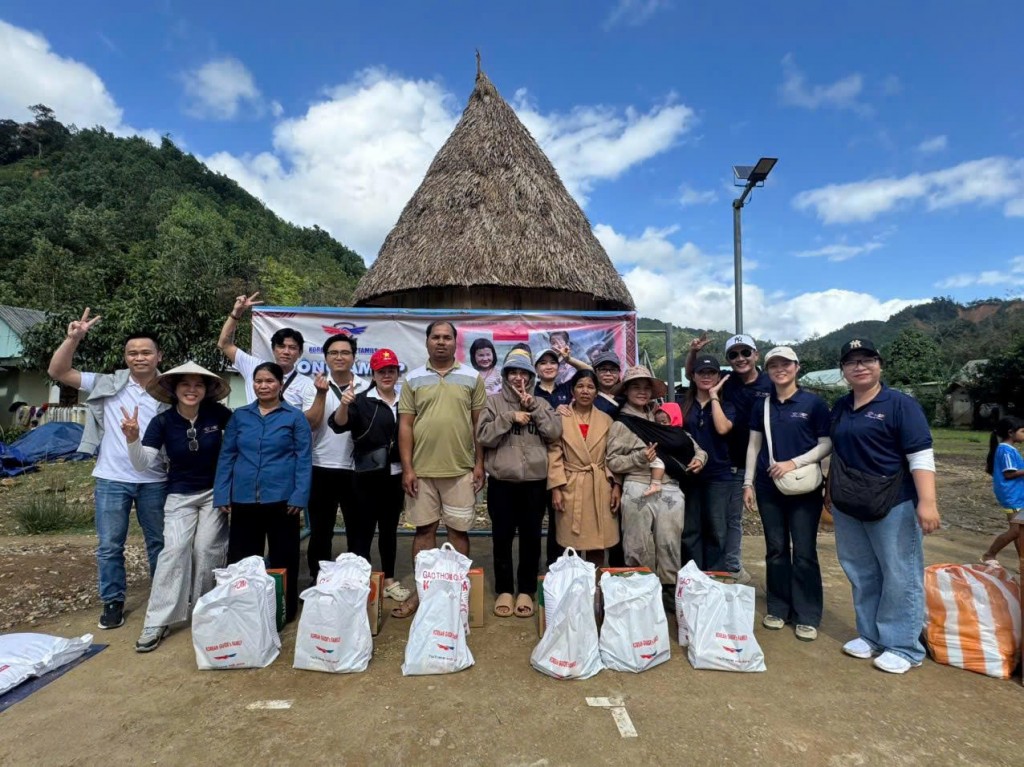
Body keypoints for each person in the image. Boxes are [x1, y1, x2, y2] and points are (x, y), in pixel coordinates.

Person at [47, 309, 168, 630]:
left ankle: (162, 597)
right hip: (112, 479)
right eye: (132, 353)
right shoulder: (107, 383)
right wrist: (73, 338)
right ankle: (113, 601)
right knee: (110, 546)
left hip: (156, 479)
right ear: (125, 357)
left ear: (159, 356)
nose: (139, 357)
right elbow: (58, 371)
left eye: (146, 352)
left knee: (159, 543)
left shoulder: (170, 390)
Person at [828, 337, 940, 674]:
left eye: (867, 359)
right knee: (861, 570)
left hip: (894, 501)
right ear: (843, 371)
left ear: (880, 365)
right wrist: (828, 496)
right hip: (850, 502)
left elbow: (920, 454)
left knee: (899, 572)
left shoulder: (900, 404)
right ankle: (871, 635)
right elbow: (835, 452)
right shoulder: (841, 407)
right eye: (852, 362)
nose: (859, 366)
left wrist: (928, 502)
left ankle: (904, 646)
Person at [121, 362, 232, 652]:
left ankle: (204, 611)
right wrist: (132, 439)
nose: (191, 390)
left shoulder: (218, 415)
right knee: (174, 551)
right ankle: (157, 620)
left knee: (207, 549)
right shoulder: (162, 422)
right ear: (174, 389)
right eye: (185, 385)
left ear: (206, 390)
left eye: (198, 385)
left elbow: (238, 446)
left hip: (214, 494)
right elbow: (143, 463)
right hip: (179, 495)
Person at [394, 320, 487, 619]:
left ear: (455, 343)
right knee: (425, 531)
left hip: (461, 469)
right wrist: (408, 468)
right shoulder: (413, 379)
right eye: (436, 337)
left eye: (447, 337)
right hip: (421, 471)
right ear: (427, 341)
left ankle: (456, 594)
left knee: (459, 531)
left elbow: (478, 426)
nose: (441, 342)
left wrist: (479, 464)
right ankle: (423, 594)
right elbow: (405, 425)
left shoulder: (472, 378)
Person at [214, 362, 312, 622]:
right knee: (243, 558)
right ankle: (245, 607)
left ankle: (285, 609)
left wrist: (300, 495)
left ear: (280, 385)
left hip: (282, 499)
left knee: (284, 557)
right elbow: (227, 455)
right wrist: (222, 493)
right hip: (244, 498)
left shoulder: (294, 417)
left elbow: (303, 459)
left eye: (269, 381)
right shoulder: (240, 416)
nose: (263, 386)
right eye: (259, 381)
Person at [477, 349, 562, 618]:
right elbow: (484, 437)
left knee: (531, 538)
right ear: (505, 376)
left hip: (535, 483)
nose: (518, 377)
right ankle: (504, 589)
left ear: (531, 376)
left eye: (523, 373)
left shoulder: (541, 403)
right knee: (501, 538)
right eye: (513, 372)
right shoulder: (493, 403)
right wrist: (508, 418)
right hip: (502, 482)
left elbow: (554, 433)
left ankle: (526, 589)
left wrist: (534, 408)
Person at [607, 366, 706, 593]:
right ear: (627, 391)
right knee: (636, 542)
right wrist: (639, 458)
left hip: (670, 488)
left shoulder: (662, 416)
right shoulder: (621, 424)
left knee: (670, 542)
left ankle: (669, 589)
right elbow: (612, 461)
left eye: (646, 388)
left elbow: (689, 443)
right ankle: (638, 590)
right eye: (636, 387)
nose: (641, 392)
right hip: (637, 486)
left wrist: (701, 458)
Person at [329, 348, 411, 602]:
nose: (387, 375)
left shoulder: (406, 402)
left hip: (395, 476)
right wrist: (344, 404)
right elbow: (338, 425)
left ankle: (388, 579)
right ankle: (361, 579)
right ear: (373, 374)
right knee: (362, 530)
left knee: (389, 530)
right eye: (381, 371)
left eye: (391, 371)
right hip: (365, 476)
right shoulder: (361, 400)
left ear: (397, 373)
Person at [687, 332, 770, 580]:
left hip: (761, 459)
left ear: (756, 354)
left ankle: (730, 566)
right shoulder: (727, 381)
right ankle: (726, 566)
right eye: (734, 354)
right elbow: (698, 374)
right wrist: (693, 352)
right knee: (722, 519)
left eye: (746, 352)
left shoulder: (769, 383)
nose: (741, 358)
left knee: (730, 520)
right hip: (729, 460)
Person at [303, 333, 370, 585]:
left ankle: (356, 579)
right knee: (321, 530)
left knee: (358, 529)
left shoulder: (367, 387)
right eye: (333, 353)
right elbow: (311, 423)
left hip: (357, 468)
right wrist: (321, 394)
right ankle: (318, 578)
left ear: (354, 357)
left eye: (345, 353)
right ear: (326, 358)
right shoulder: (316, 385)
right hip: (321, 465)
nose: (339, 357)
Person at [547, 370, 620, 566]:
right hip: (571, 485)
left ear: (597, 392)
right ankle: (577, 590)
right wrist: (556, 488)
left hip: (600, 486)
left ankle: (595, 589)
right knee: (573, 546)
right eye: (580, 386)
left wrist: (616, 486)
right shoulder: (560, 418)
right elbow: (554, 454)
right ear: (572, 390)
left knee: (598, 544)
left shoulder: (606, 420)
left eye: (590, 387)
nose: (585, 391)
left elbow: (612, 455)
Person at [680, 355, 738, 572]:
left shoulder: (727, 405)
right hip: (689, 475)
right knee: (690, 530)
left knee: (716, 529)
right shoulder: (682, 405)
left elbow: (723, 428)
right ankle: (691, 576)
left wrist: (714, 397)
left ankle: (714, 577)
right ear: (692, 376)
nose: (706, 377)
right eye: (701, 373)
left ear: (718, 376)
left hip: (719, 475)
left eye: (711, 373)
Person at [217, 292, 316, 412]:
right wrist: (236, 313)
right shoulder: (254, 366)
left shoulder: (306, 384)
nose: (286, 351)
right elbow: (224, 344)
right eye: (281, 346)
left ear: (300, 353)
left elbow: (308, 423)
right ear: (273, 349)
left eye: (292, 348)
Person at [982, 416, 1024, 564]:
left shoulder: (1007, 449)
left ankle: (1022, 560)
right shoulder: (1006, 450)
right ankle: (989, 554)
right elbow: (1009, 473)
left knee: (1020, 530)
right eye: (1023, 431)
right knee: (1016, 530)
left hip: (1017, 495)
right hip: (1012, 496)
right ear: (1011, 433)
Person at [592, 350, 622, 417]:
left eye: (613, 369)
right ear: (595, 372)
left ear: (619, 372)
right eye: (603, 369)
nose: (608, 374)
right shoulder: (588, 397)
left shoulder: (627, 397)